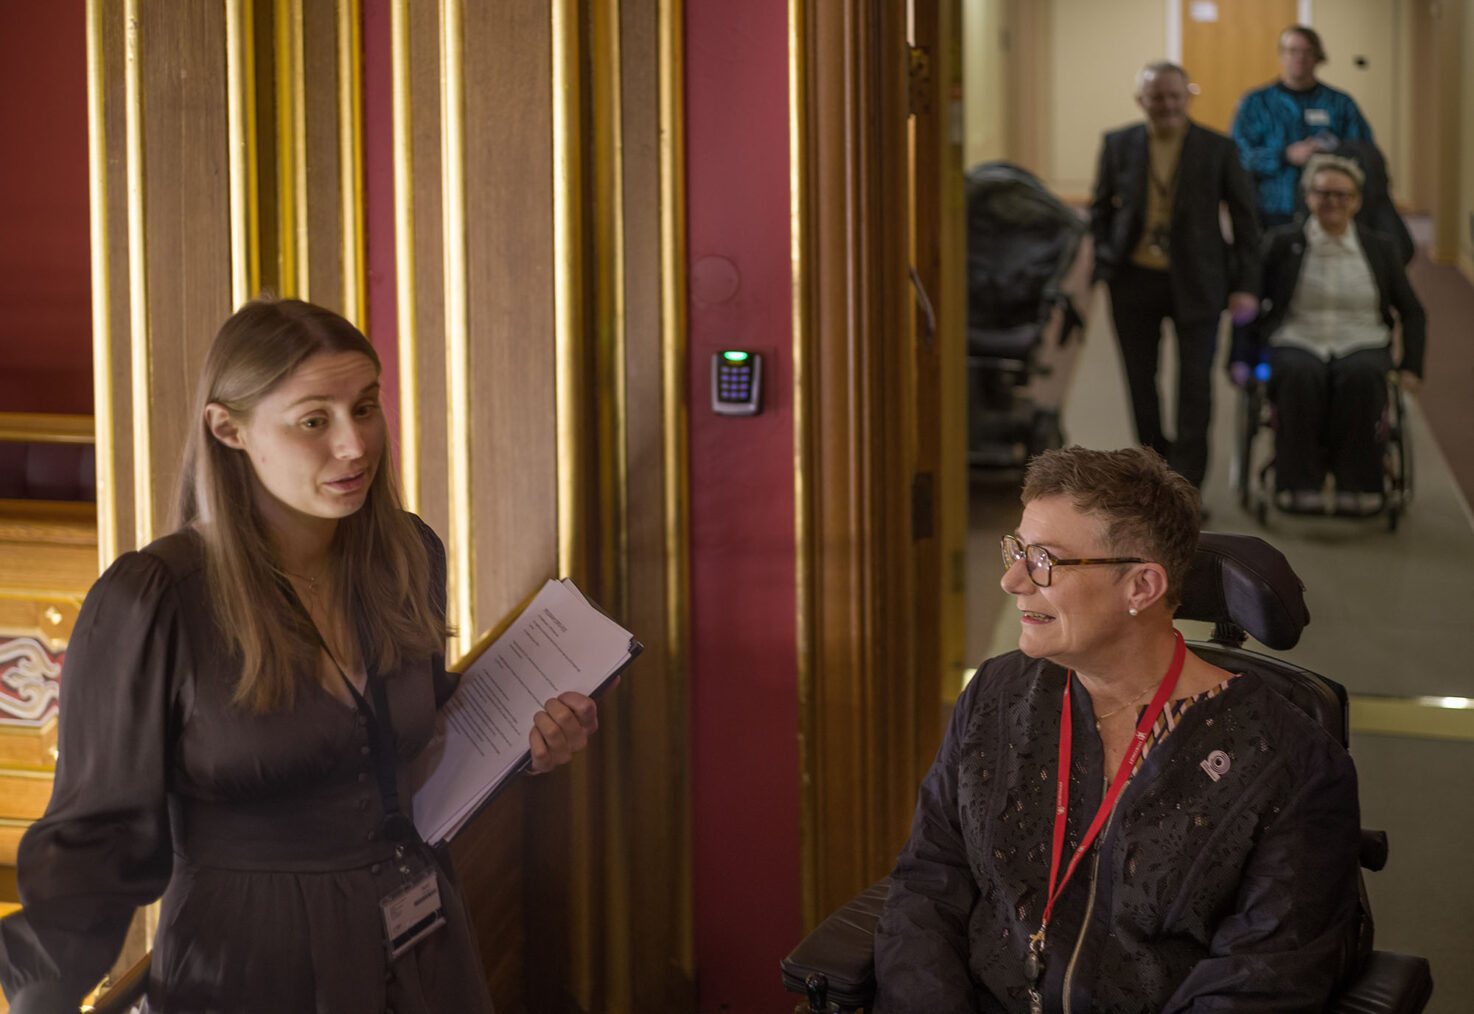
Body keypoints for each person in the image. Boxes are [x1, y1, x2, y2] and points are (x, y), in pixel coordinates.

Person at [0, 298, 604, 1012]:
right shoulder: (153, 599)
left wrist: (526, 745)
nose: (355, 445)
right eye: (315, 421)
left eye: (366, 408)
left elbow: (403, 741)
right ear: (229, 430)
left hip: (426, 946)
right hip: (251, 963)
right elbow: (94, 848)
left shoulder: (408, 555)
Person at [874, 446, 1361, 1013]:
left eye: (1043, 559)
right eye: (1016, 549)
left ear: (1142, 587)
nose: (1012, 580)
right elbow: (929, 881)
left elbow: (1258, 985)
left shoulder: (1290, 763)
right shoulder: (998, 694)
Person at [1090, 62, 1260, 491]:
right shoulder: (1118, 143)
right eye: (1156, 97)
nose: (1166, 105)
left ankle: (1187, 485)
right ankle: (1153, 474)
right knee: (1140, 381)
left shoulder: (1218, 148)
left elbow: (1245, 221)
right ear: (1141, 100)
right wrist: (1107, 257)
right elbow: (1099, 208)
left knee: (1195, 386)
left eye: (1174, 97)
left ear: (1187, 98)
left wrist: (1246, 285)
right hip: (1133, 281)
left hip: (1199, 279)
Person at [1230, 155, 1426, 515]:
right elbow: (1250, 303)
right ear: (1308, 197)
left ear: (1357, 200)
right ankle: (1299, 481)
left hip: (1362, 338)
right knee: (1298, 375)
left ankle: (1357, 483)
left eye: (1342, 194)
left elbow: (1413, 311)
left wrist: (1412, 366)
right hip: (1297, 336)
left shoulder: (1379, 247)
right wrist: (1240, 358)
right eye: (1323, 193)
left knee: (1363, 376)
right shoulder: (1281, 242)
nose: (1333, 202)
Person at [1231, 25, 1373, 229]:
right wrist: (1285, 156)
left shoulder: (1340, 103)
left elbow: (1365, 151)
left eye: (1308, 51)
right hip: (1272, 207)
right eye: (1292, 50)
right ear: (1281, 55)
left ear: (1318, 56)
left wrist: (1331, 153)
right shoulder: (1256, 103)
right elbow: (1240, 157)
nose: (1300, 57)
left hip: (1330, 209)